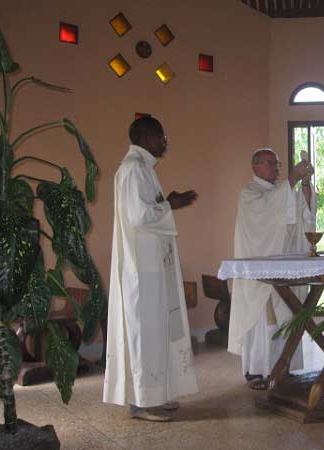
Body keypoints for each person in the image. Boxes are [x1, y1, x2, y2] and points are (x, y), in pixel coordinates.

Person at [103, 117, 199, 421]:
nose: (165, 142)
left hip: (152, 265)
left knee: (158, 329)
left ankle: (157, 394)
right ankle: (142, 402)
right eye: (162, 136)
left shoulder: (143, 167)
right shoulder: (133, 169)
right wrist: (171, 204)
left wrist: (169, 203)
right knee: (145, 331)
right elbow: (138, 216)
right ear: (145, 137)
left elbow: (148, 209)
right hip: (141, 269)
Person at [228, 148, 315, 390]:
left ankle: (284, 367)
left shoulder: (282, 192)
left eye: (277, 163)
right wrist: (292, 179)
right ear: (255, 166)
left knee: (286, 316)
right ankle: (257, 370)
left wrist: (304, 184)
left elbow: (304, 214)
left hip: (284, 267)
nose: (276, 168)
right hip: (261, 274)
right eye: (270, 163)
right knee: (263, 321)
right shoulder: (249, 193)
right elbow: (265, 213)